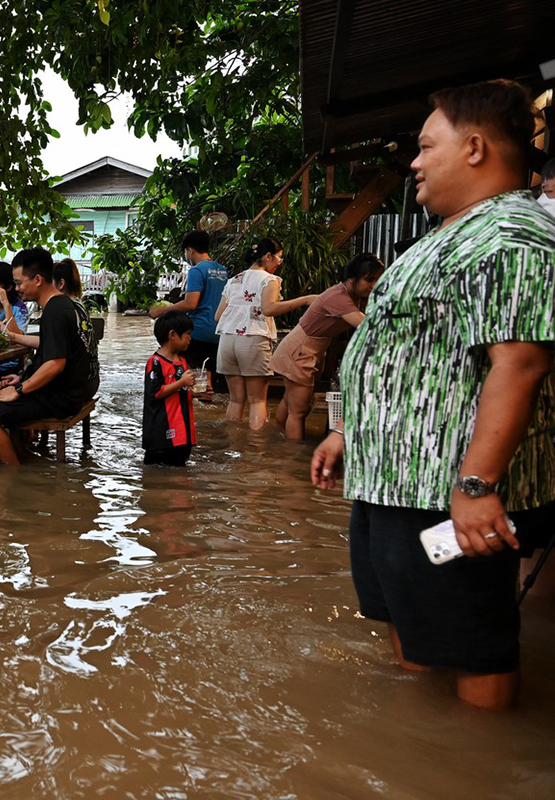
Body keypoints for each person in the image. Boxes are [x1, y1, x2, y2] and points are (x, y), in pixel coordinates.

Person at [311, 79, 555, 710]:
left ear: (474, 148)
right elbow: (414, 353)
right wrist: (349, 431)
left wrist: (476, 486)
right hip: (398, 481)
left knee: (475, 647)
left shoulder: (513, 235)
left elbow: (519, 363)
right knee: (415, 630)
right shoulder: (457, 232)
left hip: (445, 494)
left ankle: (479, 761)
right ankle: (420, 747)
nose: (413, 163)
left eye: (425, 146)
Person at [0, 247, 93, 465]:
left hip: (61, 397)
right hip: (68, 391)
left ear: (38, 279)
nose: (17, 288)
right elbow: (54, 351)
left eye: (19, 283)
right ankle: (24, 458)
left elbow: (56, 364)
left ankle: (15, 475)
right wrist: (22, 378)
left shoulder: (55, 311)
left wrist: (19, 390)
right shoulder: (64, 304)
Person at [271, 253, 384, 439]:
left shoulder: (352, 294)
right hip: (300, 351)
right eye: (369, 280)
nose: (374, 285)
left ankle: (277, 440)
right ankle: (291, 459)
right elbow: (369, 326)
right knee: (299, 411)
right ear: (351, 278)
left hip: (303, 349)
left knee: (290, 401)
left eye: (378, 280)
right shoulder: (339, 298)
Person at [214, 238, 316, 430]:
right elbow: (269, 309)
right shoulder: (269, 280)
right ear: (268, 256)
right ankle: (256, 451)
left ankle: (232, 447)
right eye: (279, 258)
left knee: (235, 401)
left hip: (227, 342)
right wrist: (304, 300)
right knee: (257, 401)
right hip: (252, 340)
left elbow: (218, 316)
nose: (279, 263)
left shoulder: (234, 279)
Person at [149, 230, 229, 393]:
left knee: (182, 372)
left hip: (198, 331)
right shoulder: (222, 270)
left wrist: (161, 311)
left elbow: (190, 304)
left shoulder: (197, 271)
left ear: (190, 250)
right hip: (219, 331)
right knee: (207, 382)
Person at [143, 311, 197, 467]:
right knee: (161, 475)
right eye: (187, 334)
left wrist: (195, 393)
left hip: (183, 433)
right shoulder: (155, 362)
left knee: (180, 478)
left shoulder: (182, 362)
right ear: (172, 335)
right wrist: (181, 383)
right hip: (162, 436)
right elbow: (155, 392)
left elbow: (182, 391)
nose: (190, 339)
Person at [53, 258, 101, 391]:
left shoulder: (64, 308)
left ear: (61, 284)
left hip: (77, 387)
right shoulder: (79, 305)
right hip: (92, 380)